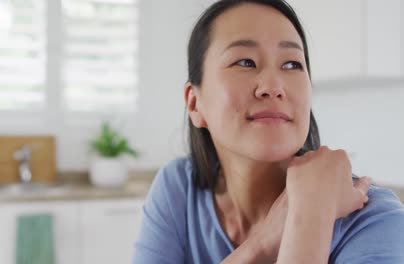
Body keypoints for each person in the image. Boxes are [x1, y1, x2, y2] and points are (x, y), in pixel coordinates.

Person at [133, 0, 404, 263]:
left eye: (291, 64)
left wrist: (310, 213)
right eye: (245, 62)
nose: (273, 86)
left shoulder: (376, 220)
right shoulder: (179, 187)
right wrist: (261, 245)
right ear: (195, 103)